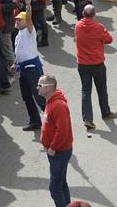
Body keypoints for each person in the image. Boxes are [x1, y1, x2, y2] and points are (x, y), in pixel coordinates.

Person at [74, 4, 117, 129]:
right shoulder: (99, 27)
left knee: (86, 91)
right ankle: (106, 113)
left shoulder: (77, 26)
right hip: (97, 64)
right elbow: (109, 39)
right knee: (102, 89)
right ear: (94, 14)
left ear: (83, 13)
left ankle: (88, 118)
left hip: (82, 64)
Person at [39, 75, 73, 207]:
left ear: (49, 87)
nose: (37, 87)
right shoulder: (50, 101)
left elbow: (62, 130)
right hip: (55, 152)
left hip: (58, 152)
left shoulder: (58, 105)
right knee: (61, 183)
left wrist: (53, 147)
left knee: (55, 189)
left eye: (40, 85)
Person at [14, 0, 46, 131]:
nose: (16, 21)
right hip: (23, 70)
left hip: (32, 69)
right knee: (26, 96)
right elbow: (20, 52)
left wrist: (28, 6)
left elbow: (29, 19)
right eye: (16, 19)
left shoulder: (29, 32)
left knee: (39, 95)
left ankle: (53, 119)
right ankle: (35, 121)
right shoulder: (18, 35)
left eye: (19, 19)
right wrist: (14, 63)